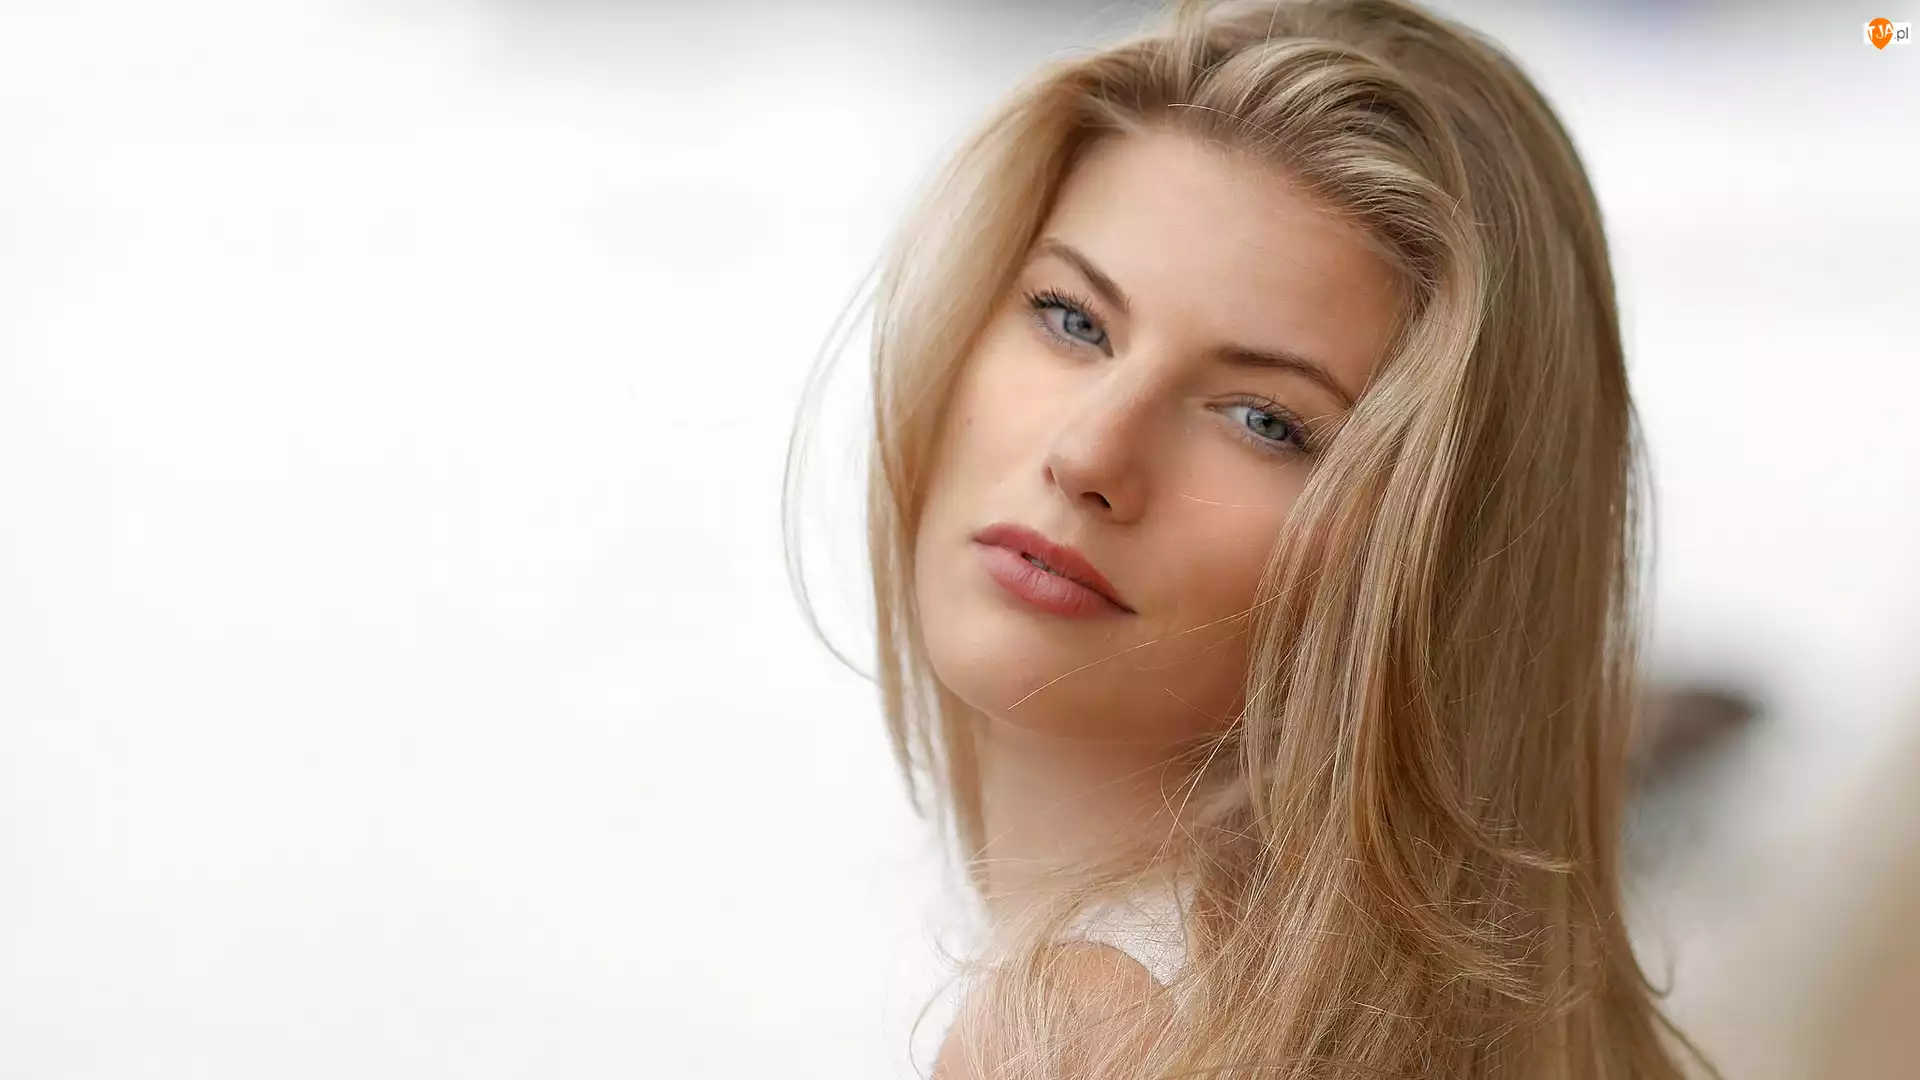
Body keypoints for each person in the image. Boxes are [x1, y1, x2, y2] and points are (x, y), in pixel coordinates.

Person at [787, 0, 1714, 1075]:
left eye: (1266, 421)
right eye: (1074, 320)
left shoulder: (1078, 1034)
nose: (1089, 455)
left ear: (1427, 561)